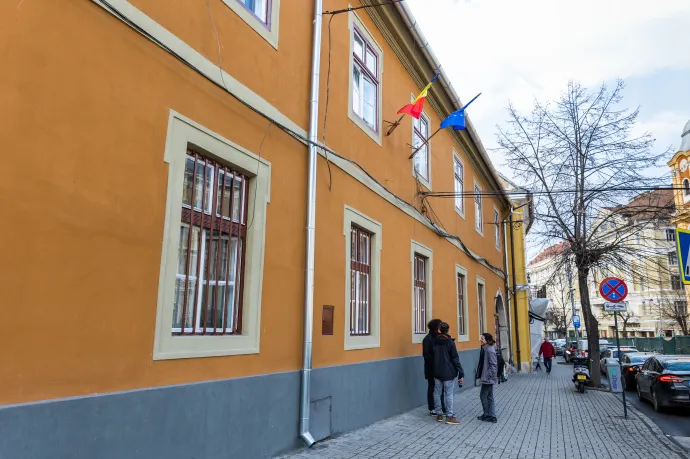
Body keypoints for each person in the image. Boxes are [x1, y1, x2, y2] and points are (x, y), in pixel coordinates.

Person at [431, 322, 464, 425]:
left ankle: (439, 414)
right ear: (447, 330)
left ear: (439, 330)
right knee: (449, 394)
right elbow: (455, 358)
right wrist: (461, 372)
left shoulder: (434, 341)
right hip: (448, 372)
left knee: (437, 392)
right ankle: (449, 416)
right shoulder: (450, 342)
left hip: (436, 371)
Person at [422, 319, 445, 415]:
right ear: (435, 327)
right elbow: (426, 355)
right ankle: (432, 407)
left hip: (440, 367)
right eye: (439, 326)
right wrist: (436, 362)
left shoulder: (439, 337)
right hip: (431, 368)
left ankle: (441, 406)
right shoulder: (427, 339)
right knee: (432, 387)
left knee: (441, 387)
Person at [476, 333, 498, 423]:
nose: (480, 340)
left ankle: (488, 414)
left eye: (482, 338)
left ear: (487, 340)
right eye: (481, 338)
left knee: (483, 396)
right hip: (487, 377)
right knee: (489, 396)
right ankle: (491, 415)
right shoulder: (485, 349)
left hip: (488, 378)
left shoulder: (489, 350)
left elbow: (493, 365)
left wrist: (488, 376)